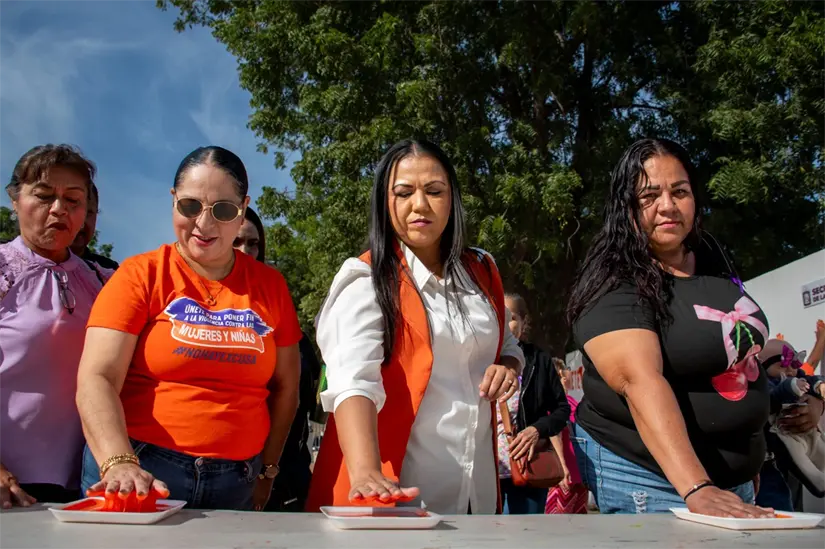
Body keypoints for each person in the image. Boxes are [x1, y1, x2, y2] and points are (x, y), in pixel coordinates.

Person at [75, 146, 303, 511]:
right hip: (143, 471)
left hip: (237, 480)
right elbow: (97, 378)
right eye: (190, 206)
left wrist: (268, 470)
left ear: (243, 207)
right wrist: (119, 462)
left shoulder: (271, 286)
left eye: (224, 210)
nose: (204, 224)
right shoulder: (140, 275)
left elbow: (286, 388)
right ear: (173, 200)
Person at [306, 139, 525, 514]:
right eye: (404, 193)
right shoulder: (365, 278)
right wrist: (366, 472)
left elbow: (507, 345)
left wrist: (508, 366)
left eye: (434, 191)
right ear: (383, 202)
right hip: (398, 496)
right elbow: (352, 382)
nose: (419, 205)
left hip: (480, 494)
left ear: (452, 199)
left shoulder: (483, 271)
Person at [566, 138, 774, 517]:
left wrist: (746, 456)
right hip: (655, 480)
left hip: (729, 484)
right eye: (649, 195)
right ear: (625, 208)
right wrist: (699, 487)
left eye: (680, 191)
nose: (668, 206)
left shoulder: (710, 257)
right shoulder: (613, 281)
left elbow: (736, 354)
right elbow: (638, 381)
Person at [0, 144, 108, 507]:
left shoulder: (105, 282)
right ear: (15, 199)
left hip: (84, 485)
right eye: (44, 196)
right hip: (8, 488)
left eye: (72, 200)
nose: (59, 209)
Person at [233, 206, 322, 512]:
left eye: (253, 243)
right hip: (226, 477)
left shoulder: (283, 316)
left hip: (286, 476)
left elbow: (303, 401)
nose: (245, 251)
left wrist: (271, 470)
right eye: (236, 242)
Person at [497, 294, 570, 514]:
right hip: (484, 471)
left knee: (525, 536)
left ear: (522, 321)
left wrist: (536, 430)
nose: (504, 323)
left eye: (510, 317)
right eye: (497, 316)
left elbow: (562, 410)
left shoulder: (539, 360)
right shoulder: (477, 358)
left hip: (528, 465)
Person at [545, 358, 589, 514]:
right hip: (562, 476)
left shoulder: (571, 401)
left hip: (578, 476)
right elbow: (554, 434)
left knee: (579, 527)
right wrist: (562, 469)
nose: (569, 373)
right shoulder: (551, 404)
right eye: (566, 369)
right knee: (557, 528)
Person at [70, 181, 119, 271]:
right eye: (73, 210)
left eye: (89, 212)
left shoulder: (109, 271)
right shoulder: (37, 268)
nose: (81, 224)